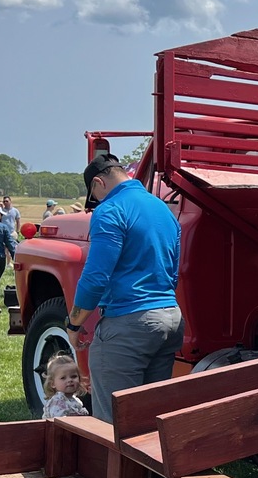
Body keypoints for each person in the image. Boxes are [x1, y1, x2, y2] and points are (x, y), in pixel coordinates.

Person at [66, 154, 183, 423]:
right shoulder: (162, 208)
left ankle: (115, 465)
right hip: (169, 318)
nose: (98, 202)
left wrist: (74, 325)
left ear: (98, 182)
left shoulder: (110, 210)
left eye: (94, 195)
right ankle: (150, 467)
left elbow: (95, 277)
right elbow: (172, 271)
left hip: (129, 322)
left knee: (115, 421)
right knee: (152, 416)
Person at [40, 353, 89, 418]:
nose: (70, 380)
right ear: (53, 384)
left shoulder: (74, 400)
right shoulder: (57, 402)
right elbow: (58, 421)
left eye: (73, 376)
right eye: (63, 378)